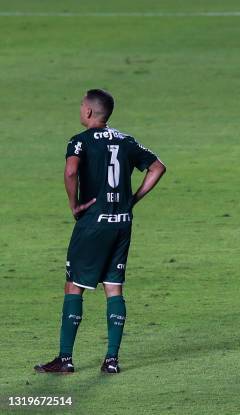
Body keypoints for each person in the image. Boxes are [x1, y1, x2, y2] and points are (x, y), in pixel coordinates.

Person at [34, 89, 166, 374]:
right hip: (122, 222)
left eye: (82, 105)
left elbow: (71, 172)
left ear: (90, 112)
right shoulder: (126, 140)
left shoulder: (79, 142)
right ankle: (111, 361)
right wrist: (133, 199)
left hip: (93, 223)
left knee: (74, 286)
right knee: (113, 286)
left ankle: (65, 359)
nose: (80, 109)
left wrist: (74, 205)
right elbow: (157, 167)